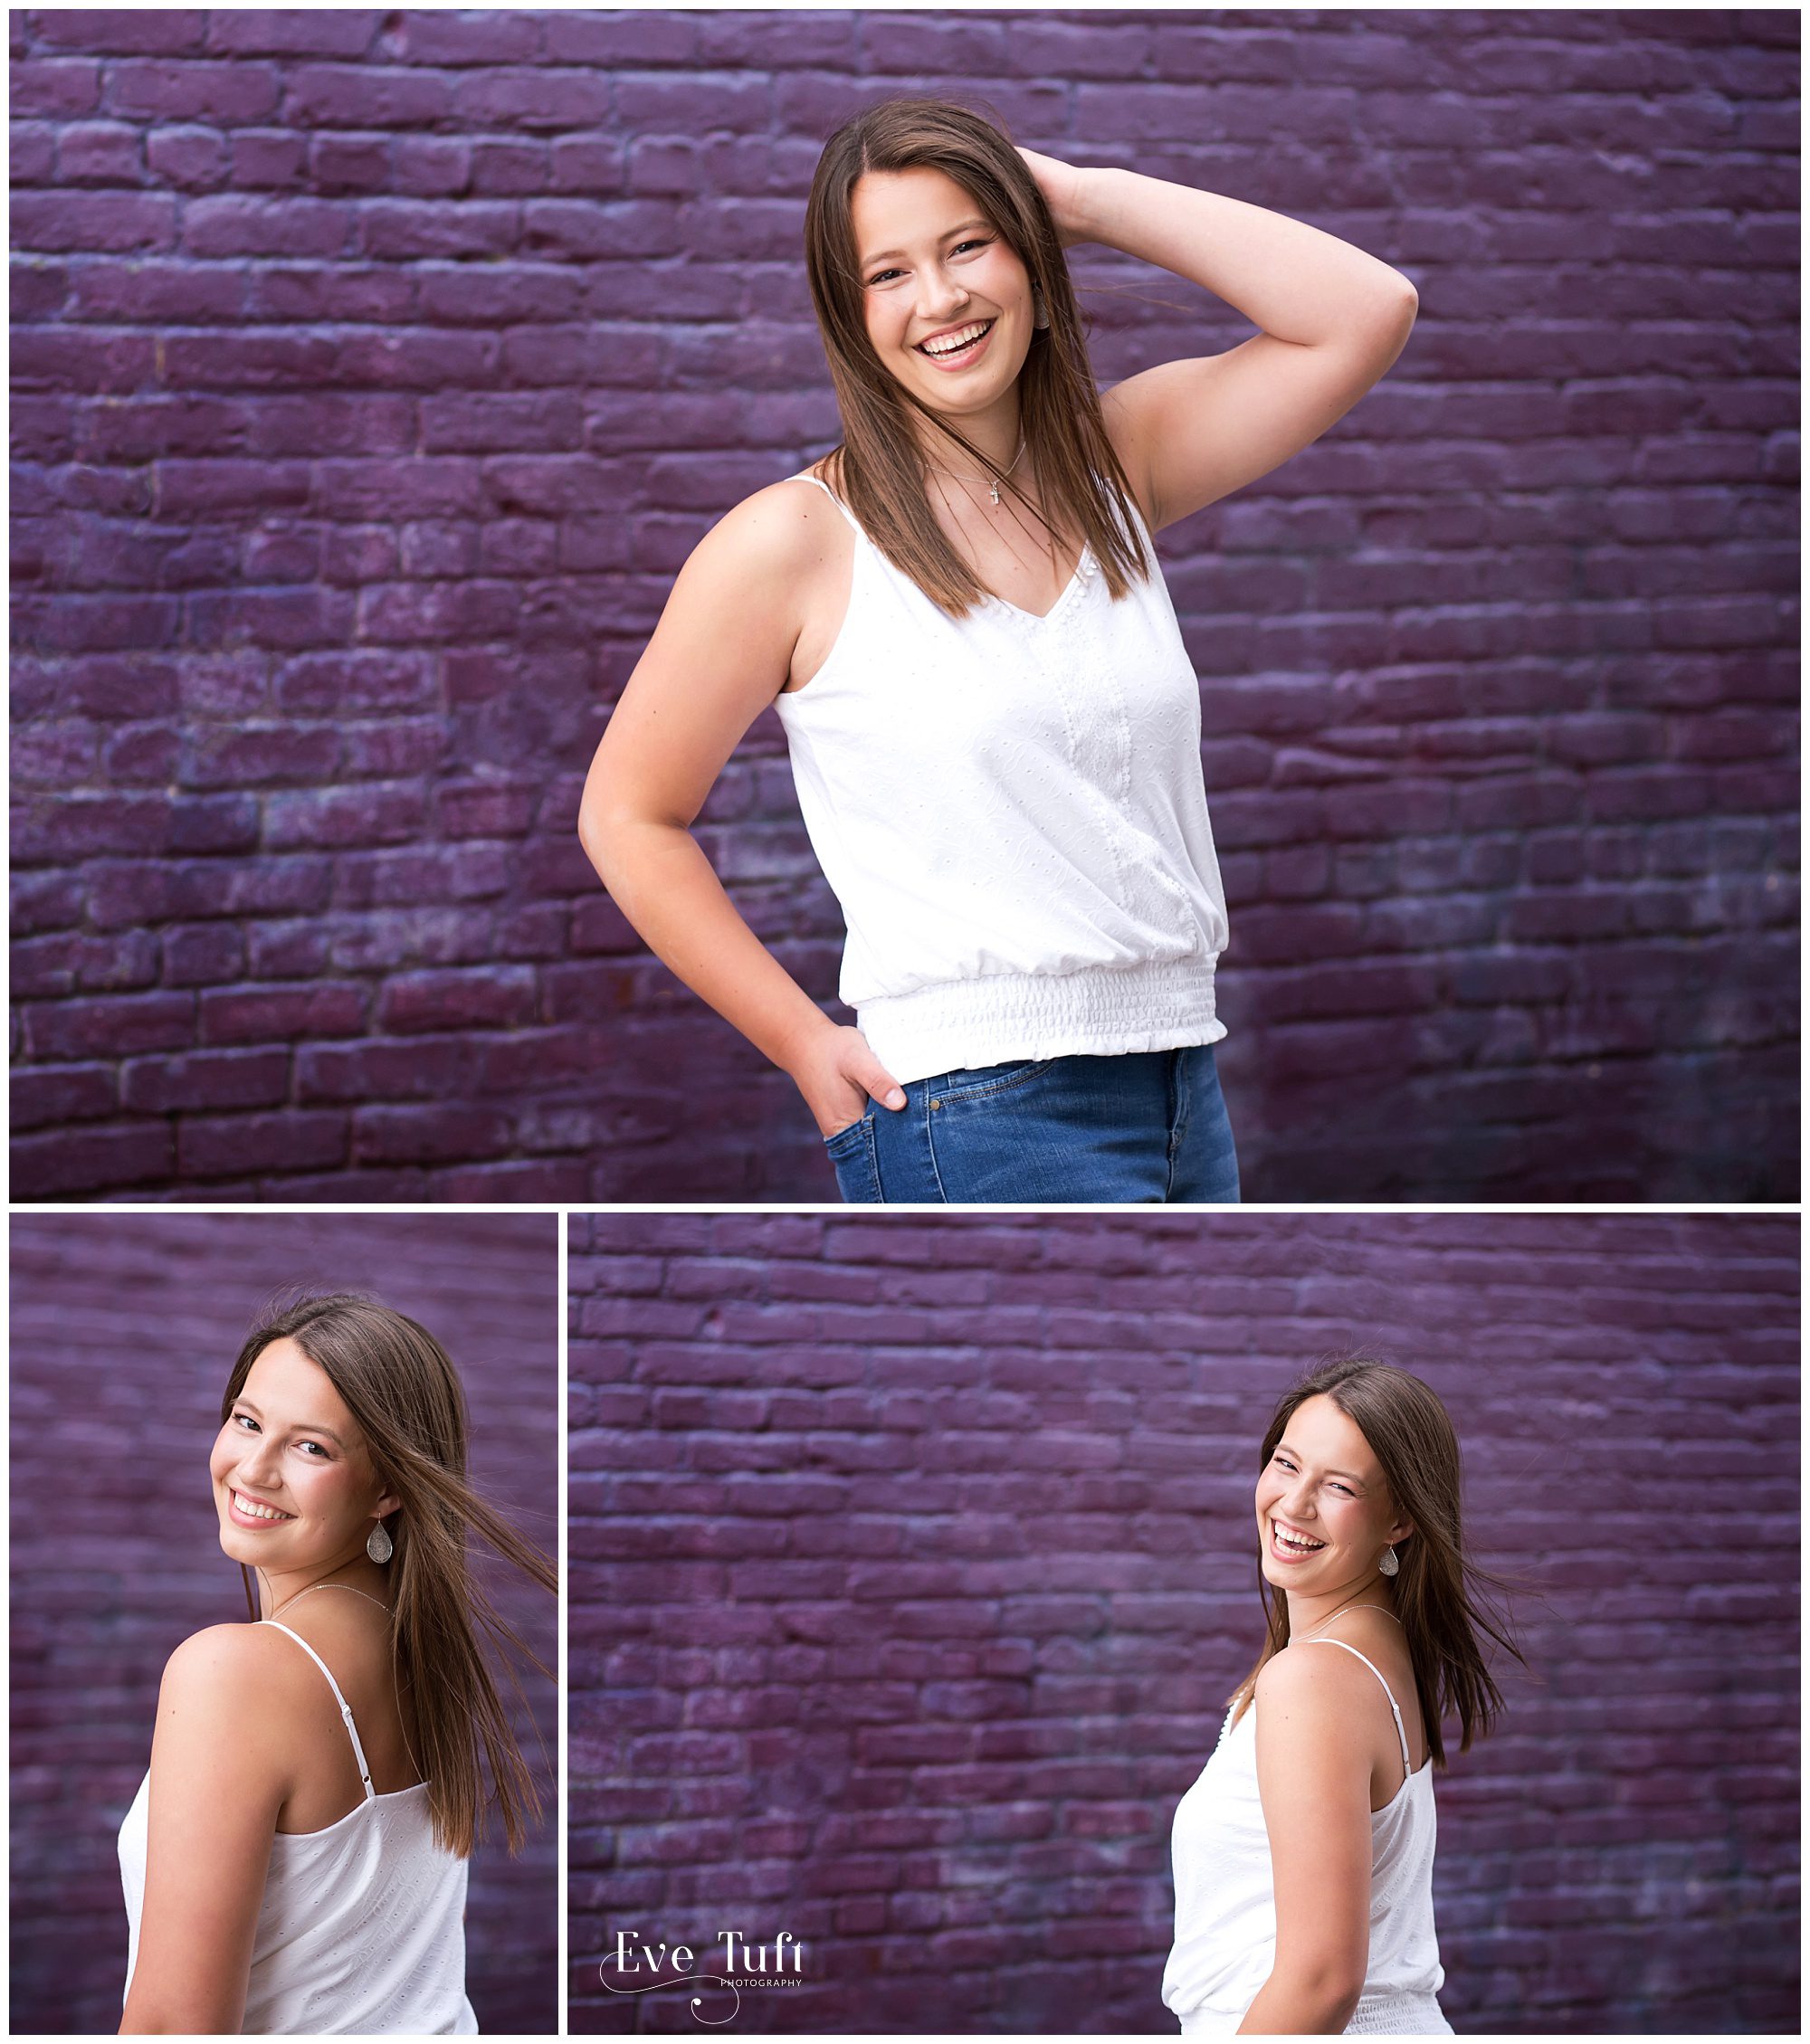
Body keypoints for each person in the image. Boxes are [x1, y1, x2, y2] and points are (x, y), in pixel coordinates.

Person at [579, 95, 1418, 1202]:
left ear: (1028, 253)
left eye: (967, 244)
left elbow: (1367, 309)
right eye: (887, 273)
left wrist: (1074, 196)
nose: (940, 300)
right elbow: (629, 815)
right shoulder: (790, 542)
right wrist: (798, 1038)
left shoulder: (1115, 463)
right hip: (973, 1112)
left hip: (1180, 1083)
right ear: (849, 311)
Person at [118, 1294, 556, 2035]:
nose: (253, 1468)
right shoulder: (418, 1649)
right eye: (248, 1421)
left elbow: (173, 2026)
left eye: (310, 1447)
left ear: (387, 1487)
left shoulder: (234, 1673)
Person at [1163, 1359, 1523, 2034]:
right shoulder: (1368, 1646)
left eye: (1339, 1485)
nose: (1295, 1505)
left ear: (1400, 1521)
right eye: (1287, 1463)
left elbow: (1323, 1980)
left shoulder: (1315, 1675)